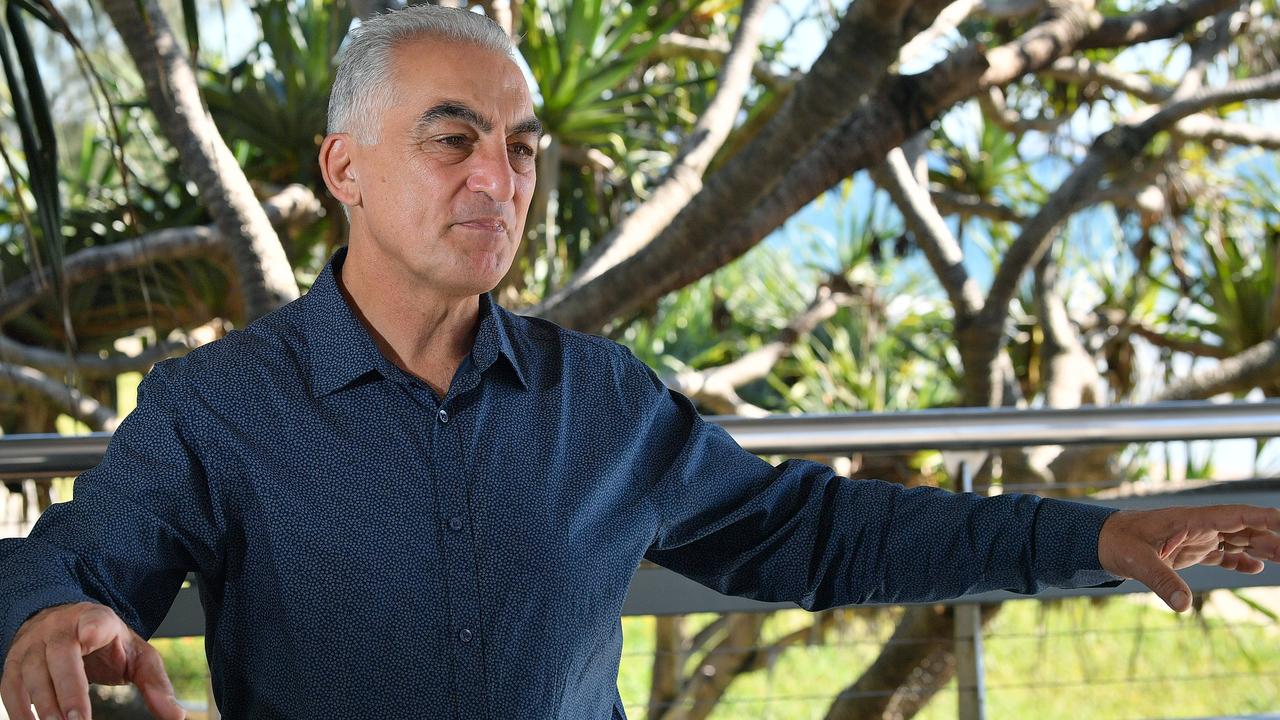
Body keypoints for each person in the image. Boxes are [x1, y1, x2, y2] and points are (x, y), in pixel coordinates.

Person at [2, 6, 1278, 720]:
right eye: (453, 140)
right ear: (343, 167)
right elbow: (73, 555)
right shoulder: (218, 410)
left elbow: (821, 536)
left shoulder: (599, 401)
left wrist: (1092, 538)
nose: (498, 178)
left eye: (518, 146)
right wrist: (50, 615)